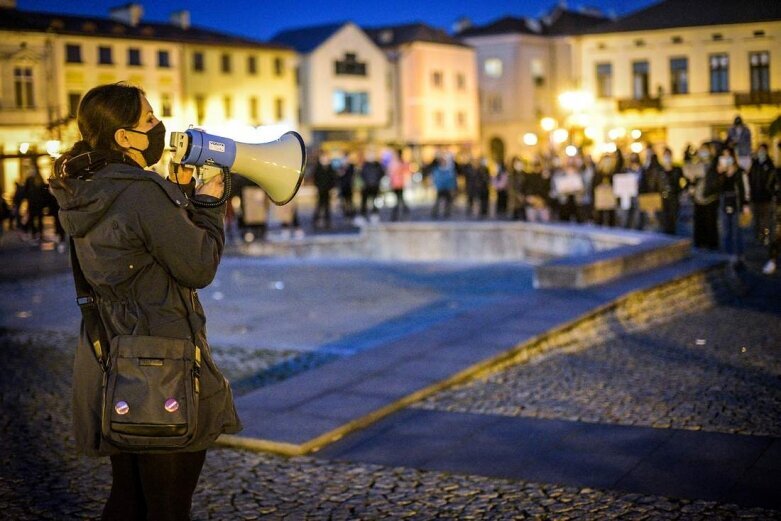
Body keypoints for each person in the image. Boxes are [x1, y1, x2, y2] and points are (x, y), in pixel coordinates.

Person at [48, 82, 241, 520]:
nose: (159, 126)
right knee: (168, 503)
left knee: (130, 495)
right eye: (149, 120)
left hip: (116, 357)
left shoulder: (89, 187)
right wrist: (209, 204)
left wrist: (175, 200)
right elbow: (198, 267)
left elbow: (140, 248)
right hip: (163, 361)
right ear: (124, 138)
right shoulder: (138, 191)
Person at [716, 146, 750, 265]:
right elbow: (717, 188)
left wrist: (745, 203)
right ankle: (728, 255)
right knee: (726, 230)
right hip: (724, 202)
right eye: (724, 156)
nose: (726, 158)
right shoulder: (722, 173)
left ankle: (739, 254)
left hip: (737, 202)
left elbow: (745, 188)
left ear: (733, 157)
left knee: (738, 230)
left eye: (728, 155)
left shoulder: (740, 171)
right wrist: (719, 174)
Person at [691, 143, 721, 250]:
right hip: (698, 197)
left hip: (710, 196)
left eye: (705, 150)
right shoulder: (697, 164)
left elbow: (717, 181)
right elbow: (693, 180)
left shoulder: (714, 165)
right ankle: (700, 242)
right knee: (699, 222)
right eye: (701, 150)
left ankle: (712, 244)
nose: (702, 152)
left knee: (711, 222)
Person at [748, 143, 776, 246]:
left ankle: (766, 237)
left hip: (766, 197)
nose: (760, 152)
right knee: (756, 219)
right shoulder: (754, 164)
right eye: (759, 150)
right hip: (755, 196)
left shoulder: (769, 165)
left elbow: (772, 181)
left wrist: (770, 192)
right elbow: (750, 178)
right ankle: (757, 237)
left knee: (765, 219)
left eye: (762, 150)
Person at [659, 147, 684, 235]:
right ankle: (666, 235)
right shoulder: (660, 170)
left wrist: (680, 191)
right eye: (665, 155)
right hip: (663, 197)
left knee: (673, 217)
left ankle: (673, 234)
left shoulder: (677, 169)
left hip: (674, 196)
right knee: (664, 218)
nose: (667, 157)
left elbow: (682, 182)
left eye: (668, 155)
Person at [312, 151, 336, 229]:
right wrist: (316, 187)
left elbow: (333, 179)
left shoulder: (330, 168)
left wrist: (332, 188)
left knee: (327, 206)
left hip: (328, 190)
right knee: (319, 206)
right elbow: (315, 179)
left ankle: (327, 221)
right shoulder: (318, 168)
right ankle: (316, 221)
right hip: (320, 190)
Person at [359, 152, 384, 223]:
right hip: (366, 186)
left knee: (375, 202)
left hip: (375, 186)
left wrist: (377, 181)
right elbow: (362, 174)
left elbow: (381, 173)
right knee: (364, 202)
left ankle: (374, 215)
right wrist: (365, 182)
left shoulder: (377, 165)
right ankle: (363, 216)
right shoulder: (365, 165)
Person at [431, 154, 457, 219]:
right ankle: (435, 212)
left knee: (448, 201)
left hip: (447, 188)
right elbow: (435, 179)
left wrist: (452, 187)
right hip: (440, 188)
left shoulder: (449, 170)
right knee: (438, 201)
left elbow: (452, 179)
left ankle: (447, 213)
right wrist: (436, 185)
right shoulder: (437, 170)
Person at [388, 150, 410, 221]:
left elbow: (406, 170)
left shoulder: (399, 163)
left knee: (399, 199)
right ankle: (403, 211)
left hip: (400, 184)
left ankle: (399, 213)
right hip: (396, 185)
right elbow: (391, 174)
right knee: (399, 199)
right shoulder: (394, 163)